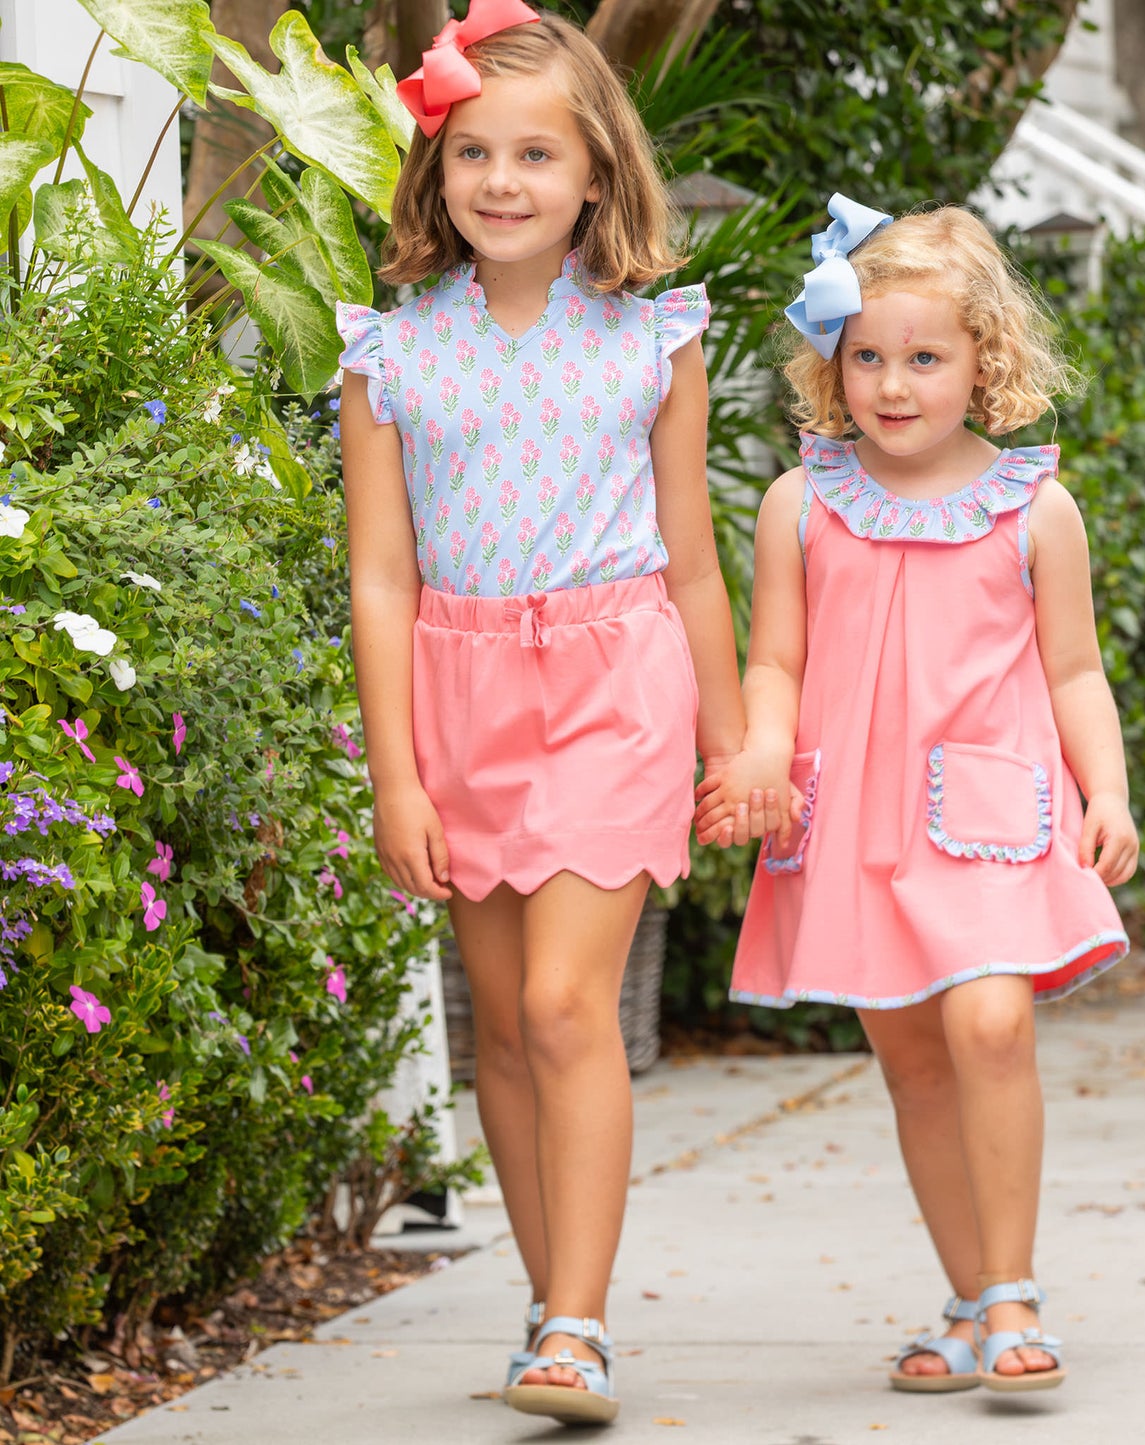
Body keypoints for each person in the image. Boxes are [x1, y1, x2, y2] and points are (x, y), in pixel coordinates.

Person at [336, 1, 744, 1425]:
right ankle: (546, 1290)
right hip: (457, 694)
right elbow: (381, 581)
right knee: (502, 1025)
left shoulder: (655, 340)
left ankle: (578, 1323)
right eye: (472, 155)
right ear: (433, 176)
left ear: (594, 176)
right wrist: (396, 777)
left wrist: (735, 739)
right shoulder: (389, 356)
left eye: (535, 155)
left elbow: (692, 558)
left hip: (613, 678)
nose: (500, 182)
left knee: (570, 1002)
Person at [696, 195, 1139, 1394]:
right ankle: (964, 1294)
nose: (892, 383)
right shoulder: (799, 501)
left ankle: (1011, 1290)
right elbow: (774, 659)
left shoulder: (1033, 507)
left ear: (982, 362)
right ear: (833, 363)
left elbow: (1073, 668)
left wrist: (1105, 787)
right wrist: (762, 755)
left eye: (924, 357)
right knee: (911, 1059)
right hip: (853, 826)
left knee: (989, 1025)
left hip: (989, 817)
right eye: (868, 355)